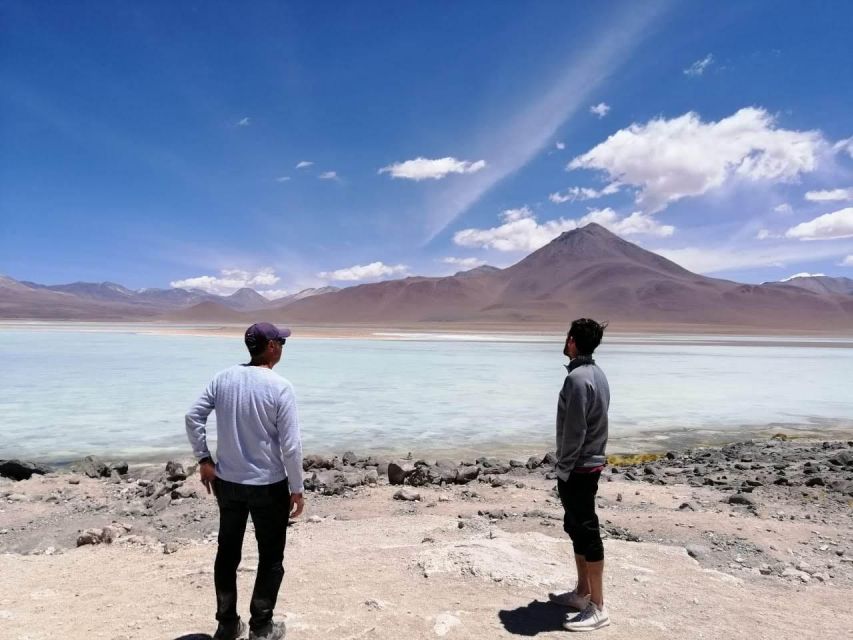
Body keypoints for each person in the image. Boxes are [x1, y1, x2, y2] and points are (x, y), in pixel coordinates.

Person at [185, 322, 305, 640]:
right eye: (281, 341)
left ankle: (226, 625)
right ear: (270, 347)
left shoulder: (223, 378)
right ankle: (261, 628)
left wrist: (204, 459)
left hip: (228, 483)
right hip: (268, 485)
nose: (282, 347)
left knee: (228, 553)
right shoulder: (280, 387)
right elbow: (291, 447)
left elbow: (193, 416)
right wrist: (297, 488)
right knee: (271, 557)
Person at [548, 318, 611, 632]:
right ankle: (582, 592)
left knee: (586, 530)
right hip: (590, 463)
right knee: (576, 526)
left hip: (579, 468)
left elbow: (574, 431)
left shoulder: (577, 379)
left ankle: (598, 606)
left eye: (566, 336)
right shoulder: (597, 375)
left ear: (572, 341)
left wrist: (564, 468)